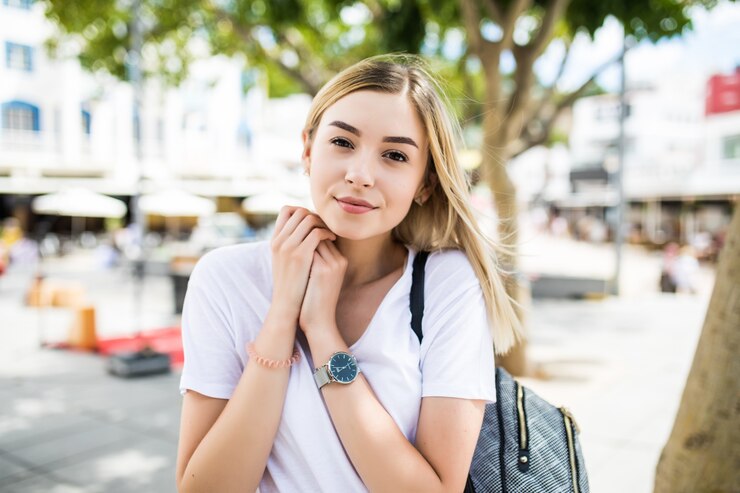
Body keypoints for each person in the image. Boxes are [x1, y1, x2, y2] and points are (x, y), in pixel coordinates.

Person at [175, 55, 521, 493]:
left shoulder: (445, 283)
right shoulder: (224, 278)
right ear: (307, 149)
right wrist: (282, 314)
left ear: (425, 184)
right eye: (342, 142)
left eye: (395, 155)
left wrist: (322, 333)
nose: (360, 175)